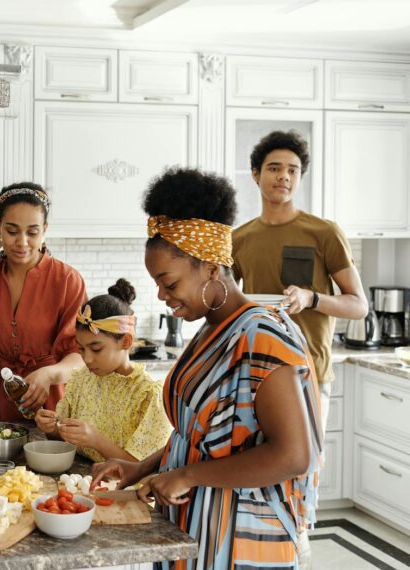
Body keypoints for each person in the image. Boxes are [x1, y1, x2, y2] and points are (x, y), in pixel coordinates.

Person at [92, 167, 323, 570]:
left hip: (241, 539)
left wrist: (190, 477)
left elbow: (295, 454)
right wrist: (142, 467)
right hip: (194, 526)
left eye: (169, 282)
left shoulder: (262, 337)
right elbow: (204, 436)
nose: (162, 296)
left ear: (212, 268)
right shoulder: (211, 329)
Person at [233, 130, 367, 426]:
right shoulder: (239, 239)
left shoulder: (324, 233)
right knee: (257, 470)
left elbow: (359, 306)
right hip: (256, 372)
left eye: (292, 170)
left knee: (305, 469)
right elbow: (226, 303)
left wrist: (311, 298)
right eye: (274, 168)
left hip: (308, 371)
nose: (284, 176)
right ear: (255, 175)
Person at [0, 182, 86, 422]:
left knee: (51, 457)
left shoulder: (67, 281)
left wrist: (48, 375)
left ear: (45, 230)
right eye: (12, 231)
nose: (22, 242)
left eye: (32, 232)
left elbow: (79, 355)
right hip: (2, 395)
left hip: (54, 397)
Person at [35, 279, 172, 463]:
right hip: (81, 482)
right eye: (81, 349)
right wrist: (52, 429)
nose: (87, 359)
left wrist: (96, 440)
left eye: (96, 349)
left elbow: (142, 468)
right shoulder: (81, 379)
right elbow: (63, 440)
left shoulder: (148, 395)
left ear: (126, 342)